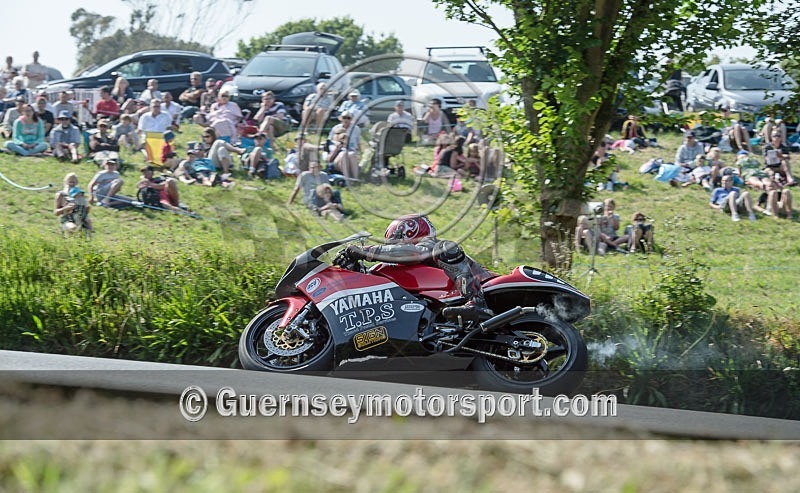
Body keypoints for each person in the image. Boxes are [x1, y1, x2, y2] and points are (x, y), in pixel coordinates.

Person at [343, 214, 495, 322]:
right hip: (445, 303)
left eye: (396, 242)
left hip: (487, 285)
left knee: (444, 249)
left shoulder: (430, 246)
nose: (392, 250)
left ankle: (477, 301)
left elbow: (414, 253)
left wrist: (365, 251)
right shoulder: (401, 267)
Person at [328, 112, 361, 179]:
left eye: (348, 118)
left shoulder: (356, 129)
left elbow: (358, 144)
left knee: (352, 154)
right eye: (344, 118)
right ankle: (347, 178)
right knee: (344, 154)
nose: (346, 120)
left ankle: (355, 178)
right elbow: (329, 159)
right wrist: (337, 147)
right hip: (337, 159)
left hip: (350, 155)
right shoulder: (333, 143)